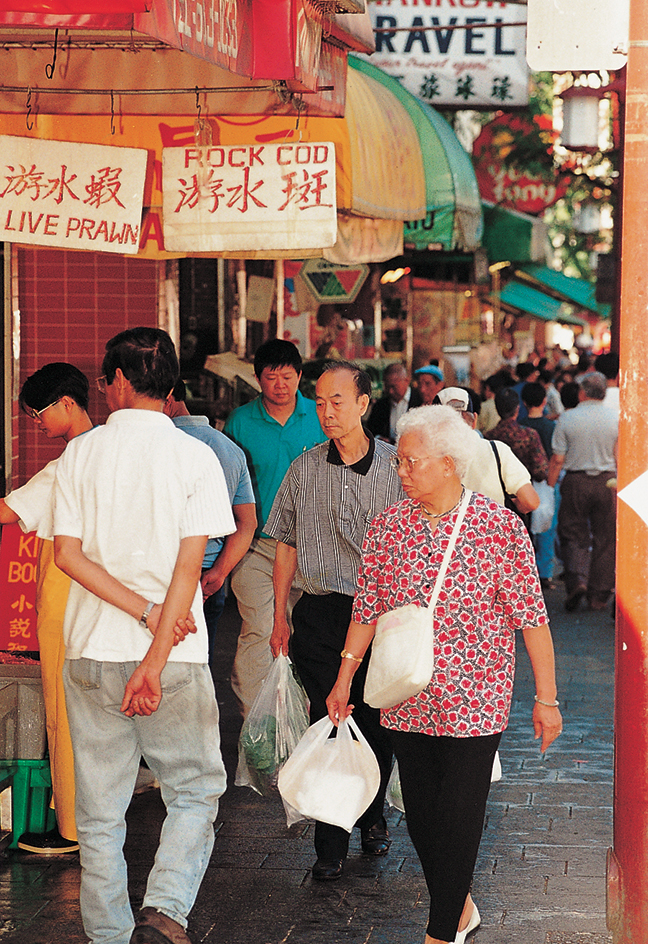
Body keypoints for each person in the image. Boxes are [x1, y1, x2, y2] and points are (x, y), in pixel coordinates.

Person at [326, 405, 562, 944]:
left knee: (458, 818)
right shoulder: (389, 525)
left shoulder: (499, 527)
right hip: (405, 695)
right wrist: (344, 679)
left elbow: (532, 618)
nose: (400, 471)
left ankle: (439, 932)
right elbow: (366, 608)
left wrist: (545, 699)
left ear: (451, 463)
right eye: (400, 463)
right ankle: (459, 905)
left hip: (475, 700)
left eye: (412, 462)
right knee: (425, 820)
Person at [52, 327, 235, 944]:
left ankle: (108, 936)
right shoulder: (196, 455)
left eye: (107, 379)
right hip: (175, 659)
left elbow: (68, 558)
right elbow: (190, 569)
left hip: (89, 651)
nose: (105, 390)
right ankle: (164, 911)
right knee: (193, 790)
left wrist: (139, 611)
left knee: (100, 814)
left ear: (122, 382)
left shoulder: (82, 453)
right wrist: (154, 647)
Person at [267, 361, 404, 881]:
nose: (326, 412)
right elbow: (284, 541)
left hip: (382, 616)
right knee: (329, 719)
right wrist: (280, 613)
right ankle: (330, 841)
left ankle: (371, 818)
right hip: (322, 613)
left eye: (337, 401)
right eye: (319, 402)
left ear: (364, 404)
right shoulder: (304, 469)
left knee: (376, 721)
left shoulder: (396, 468)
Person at [0, 363, 93, 854]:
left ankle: (73, 828)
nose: (35, 422)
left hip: (66, 597)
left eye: (38, 412)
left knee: (64, 707)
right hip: (105, 598)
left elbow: (9, 512)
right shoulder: (108, 455)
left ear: (67, 404)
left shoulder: (69, 465)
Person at [223, 339, 326, 717]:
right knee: (261, 628)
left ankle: (300, 720)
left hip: (311, 547)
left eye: (288, 377)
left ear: (300, 377)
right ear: (257, 379)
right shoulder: (239, 423)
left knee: (303, 635)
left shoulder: (319, 418)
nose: (280, 385)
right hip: (257, 546)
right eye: (271, 377)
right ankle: (260, 727)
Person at [164, 379, 256, 663]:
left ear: (166, 398)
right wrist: (219, 572)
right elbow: (247, 523)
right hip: (208, 575)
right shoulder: (228, 448)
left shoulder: (156, 445)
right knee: (200, 668)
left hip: (161, 574)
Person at [548, 371, 618, 613]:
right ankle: (599, 594)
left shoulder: (568, 419)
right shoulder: (616, 417)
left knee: (572, 531)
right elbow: (620, 455)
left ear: (581, 393)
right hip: (608, 481)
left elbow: (558, 459)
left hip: (576, 481)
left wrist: (550, 485)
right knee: (606, 538)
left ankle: (577, 579)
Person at [434, 387, 540, 516]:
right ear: (474, 421)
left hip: (443, 533)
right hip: (491, 533)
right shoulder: (497, 451)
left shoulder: (423, 457)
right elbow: (530, 502)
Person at [485, 387, 549, 484]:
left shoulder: (489, 437)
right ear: (517, 409)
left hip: (496, 491)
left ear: (497, 409)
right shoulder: (529, 435)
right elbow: (541, 471)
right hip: (523, 491)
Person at [366, 361, 422, 443]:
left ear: (406, 381)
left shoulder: (420, 401)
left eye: (394, 386)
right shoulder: (380, 405)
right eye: (387, 387)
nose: (391, 391)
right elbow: (371, 430)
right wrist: (379, 438)